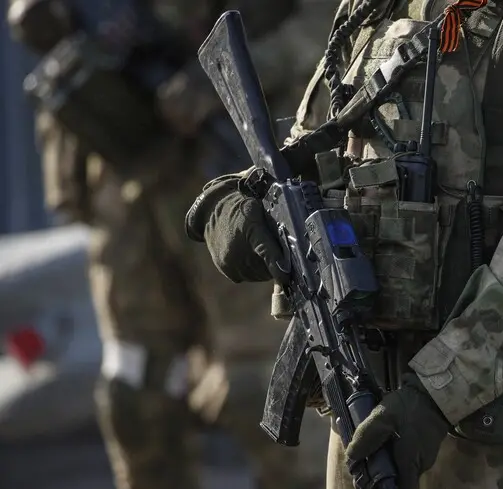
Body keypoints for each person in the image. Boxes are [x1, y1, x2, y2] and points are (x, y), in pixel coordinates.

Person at [186, 0, 503, 488]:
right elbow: (318, 150)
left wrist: (435, 394)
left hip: (497, 442)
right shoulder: (374, 7)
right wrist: (242, 199)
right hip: (367, 417)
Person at [7, 0, 338, 488]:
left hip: (229, 177)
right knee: (137, 386)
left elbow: (328, 25)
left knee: (261, 386)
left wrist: (230, 74)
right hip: (126, 169)